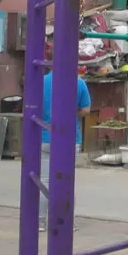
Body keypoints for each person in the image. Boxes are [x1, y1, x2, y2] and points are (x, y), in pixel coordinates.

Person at [39, 48, 91, 232]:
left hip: (44, 137)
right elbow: (86, 110)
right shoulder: (78, 82)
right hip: (69, 138)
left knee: (44, 181)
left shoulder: (41, 82)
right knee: (66, 181)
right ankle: (66, 220)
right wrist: (73, 111)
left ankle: (41, 221)